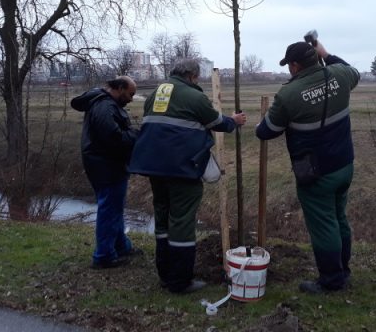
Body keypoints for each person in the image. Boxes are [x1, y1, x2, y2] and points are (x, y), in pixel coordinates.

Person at [128, 59, 247, 294]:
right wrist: (234, 121)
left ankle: (165, 274)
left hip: (154, 167)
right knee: (182, 221)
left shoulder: (156, 93)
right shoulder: (193, 96)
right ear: (192, 76)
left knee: (162, 217)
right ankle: (180, 281)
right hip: (182, 168)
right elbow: (215, 122)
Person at [255, 40, 360, 294]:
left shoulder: (289, 94)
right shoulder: (340, 75)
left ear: (294, 65)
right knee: (338, 218)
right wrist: (326, 53)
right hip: (344, 164)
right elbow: (354, 72)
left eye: (289, 65)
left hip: (316, 173)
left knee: (324, 226)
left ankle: (332, 281)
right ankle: (343, 271)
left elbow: (265, 132)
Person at [71, 76, 140, 269]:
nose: (131, 99)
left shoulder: (104, 104)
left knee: (114, 208)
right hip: (106, 167)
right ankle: (103, 256)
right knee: (109, 210)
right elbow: (114, 139)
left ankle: (121, 246)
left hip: (106, 165)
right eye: (130, 94)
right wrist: (137, 134)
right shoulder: (104, 107)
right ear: (119, 88)